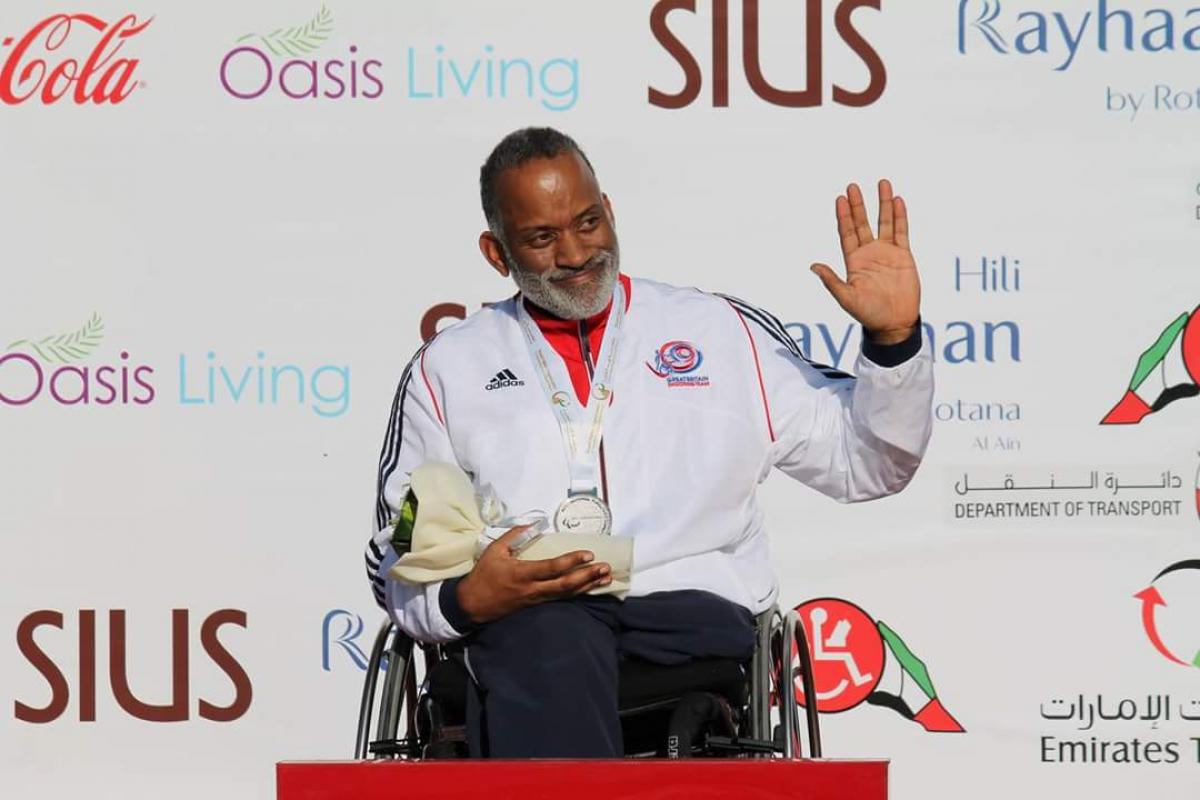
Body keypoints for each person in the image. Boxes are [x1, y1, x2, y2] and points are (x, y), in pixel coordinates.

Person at [364, 127, 933, 758]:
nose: (577, 253)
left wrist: (894, 341)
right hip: (526, 623)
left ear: (609, 210)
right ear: (497, 254)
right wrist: (465, 599)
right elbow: (398, 554)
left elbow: (870, 462)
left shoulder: (720, 332)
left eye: (587, 222)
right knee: (551, 635)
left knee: (552, 643)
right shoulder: (449, 369)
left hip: (686, 614)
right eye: (542, 238)